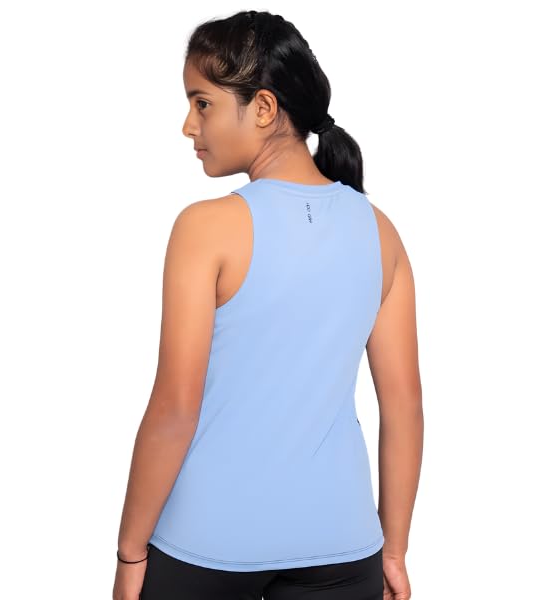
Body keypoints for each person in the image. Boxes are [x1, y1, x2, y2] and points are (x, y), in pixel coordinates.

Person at [113, 9, 423, 600]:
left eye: (202, 103)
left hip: (206, 543)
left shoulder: (205, 228)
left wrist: (130, 551)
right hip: (343, 547)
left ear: (262, 107)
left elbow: (175, 409)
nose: (188, 125)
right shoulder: (381, 233)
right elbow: (405, 408)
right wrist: (395, 551)